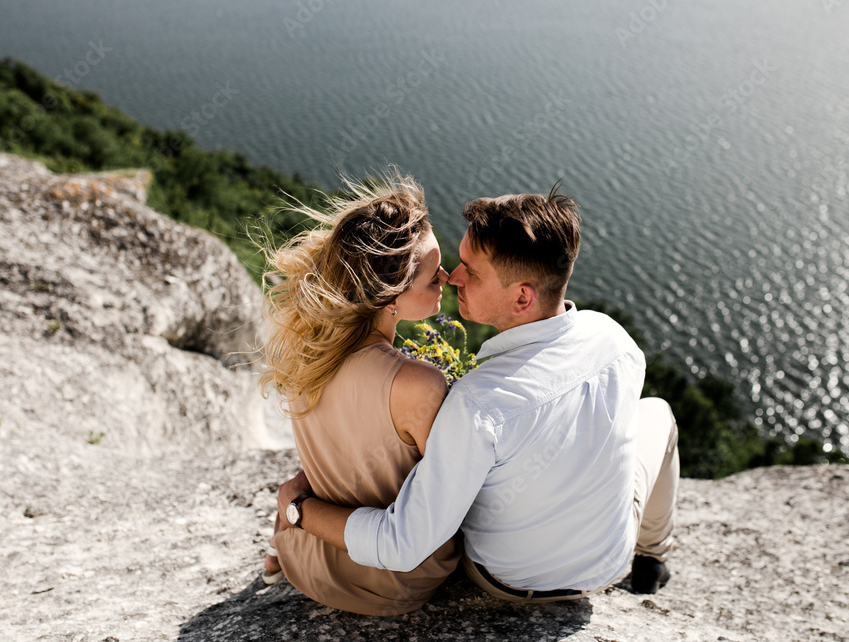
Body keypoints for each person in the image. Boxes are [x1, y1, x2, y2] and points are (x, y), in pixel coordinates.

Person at [272, 183, 680, 603]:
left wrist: (300, 509)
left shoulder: (476, 404)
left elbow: (403, 542)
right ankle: (653, 557)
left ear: (522, 296)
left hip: (505, 579)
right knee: (658, 413)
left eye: (472, 270)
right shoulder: (617, 341)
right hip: (609, 562)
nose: (454, 277)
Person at [258, 172, 460, 615]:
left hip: (307, 561)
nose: (446, 276)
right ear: (390, 296)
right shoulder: (417, 383)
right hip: (391, 582)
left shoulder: (306, 354)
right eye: (431, 275)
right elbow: (453, 497)